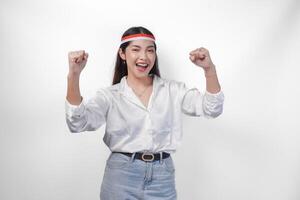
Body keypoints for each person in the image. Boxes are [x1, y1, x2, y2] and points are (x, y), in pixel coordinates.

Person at [65, 26, 224, 200]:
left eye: (150, 51)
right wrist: (74, 75)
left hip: (162, 177)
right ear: (122, 54)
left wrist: (209, 70)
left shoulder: (173, 90)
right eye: (136, 49)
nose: (144, 57)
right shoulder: (110, 96)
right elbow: (78, 123)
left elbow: (211, 109)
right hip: (121, 176)